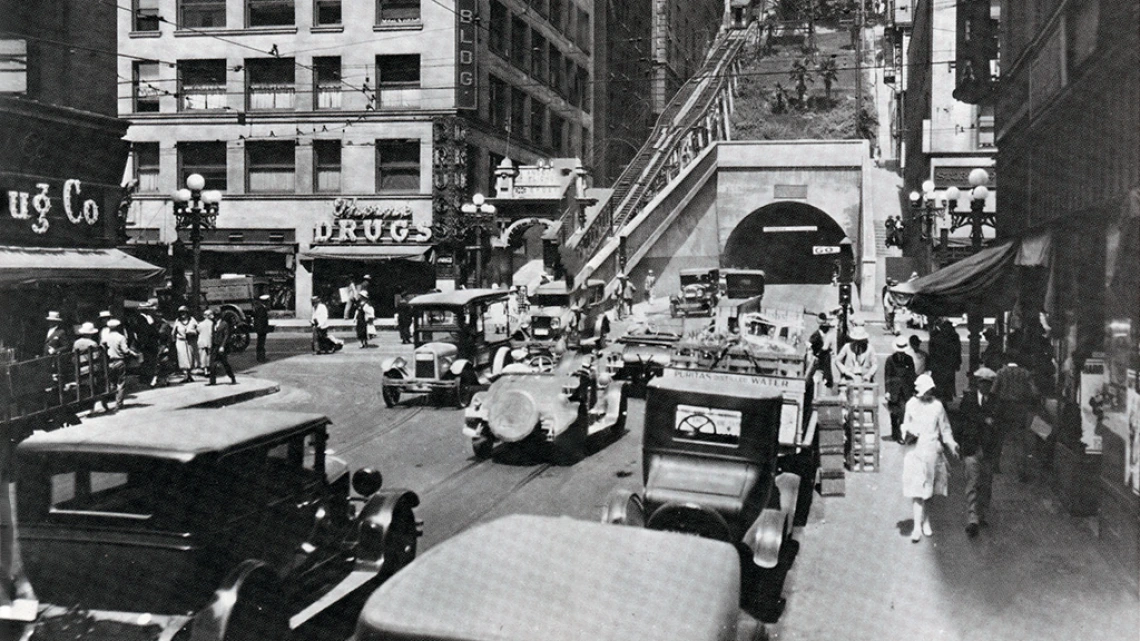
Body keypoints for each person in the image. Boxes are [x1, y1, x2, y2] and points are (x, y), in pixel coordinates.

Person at [901, 373, 959, 542]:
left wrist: (951, 443)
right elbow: (904, 425)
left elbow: (945, 428)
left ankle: (926, 521)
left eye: (929, 391)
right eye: (925, 391)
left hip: (931, 451)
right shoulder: (911, 405)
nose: (928, 394)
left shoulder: (937, 406)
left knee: (929, 490)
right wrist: (907, 433)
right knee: (916, 490)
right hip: (914, 451)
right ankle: (917, 527)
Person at [955, 367, 999, 537]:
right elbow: (960, 423)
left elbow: (1000, 427)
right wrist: (960, 445)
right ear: (978, 383)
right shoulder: (969, 399)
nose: (985, 387)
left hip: (988, 450)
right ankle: (972, 518)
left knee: (986, 484)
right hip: (971, 448)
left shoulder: (996, 401)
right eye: (983, 383)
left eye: (989, 384)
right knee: (972, 483)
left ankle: (983, 515)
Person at [990, 352, 1039, 480]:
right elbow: (1034, 392)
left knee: (999, 437)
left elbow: (993, 391)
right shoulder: (1025, 373)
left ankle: (995, 465)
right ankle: (1021, 471)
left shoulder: (1001, 372)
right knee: (1019, 440)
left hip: (1003, 407)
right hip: (1020, 408)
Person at [884, 335, 917, 443]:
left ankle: (901, 435)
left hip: (906, 390)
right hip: (894, 390)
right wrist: (887, 391)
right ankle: (895, 433)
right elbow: (887, 376)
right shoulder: (890, 360)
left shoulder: (909, 359)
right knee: (894, 413)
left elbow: (912, 374)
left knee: (903, 412)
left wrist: (914, 390)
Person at [102, 319, 140, 413]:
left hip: (109, 362)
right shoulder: (121, 337)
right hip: (119, 361)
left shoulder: (105, 338)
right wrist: (134, 354)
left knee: (111, 383)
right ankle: (119, 404)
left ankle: (104, 402)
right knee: (121, 383)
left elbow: (102, 347)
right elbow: (125, 350)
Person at [927, 319, 962, 402]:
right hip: (946, 364)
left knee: (942, 384)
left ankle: (944, 397)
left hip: (942, 364)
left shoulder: (937, 336)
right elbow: (957, 350)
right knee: (946, 383)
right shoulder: (953, 337)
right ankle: (946, 397)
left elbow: (931, 351)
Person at [207, 309, 237, 385]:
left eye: (217, 316)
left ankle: (232, 377)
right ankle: (212, 381)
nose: (215, 317)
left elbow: (226, 336)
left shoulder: (224, 324)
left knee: (225, 363)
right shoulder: (214, 324)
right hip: (215, 346)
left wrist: (222, 346)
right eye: (215, 316)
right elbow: (213, 335)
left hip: (221, 346)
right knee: (212, 364)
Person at [808, 313, 837, 389]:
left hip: (825, 359)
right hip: (818, 360)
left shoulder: (826, 336)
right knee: (816, 377)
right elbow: (809, 345)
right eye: (826, 328)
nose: (828, 330)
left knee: (826, 375)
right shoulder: (816, 335)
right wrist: (815, 355)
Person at [171, 306, 198, 383]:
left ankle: (189, 375)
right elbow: (173, 332)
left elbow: (198, 329)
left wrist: (193, 333)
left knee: (190, 357)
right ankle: (186, 375)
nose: (183, 314)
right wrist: (173, 341)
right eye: (181, 313)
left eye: (184, 312)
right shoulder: (177, 321)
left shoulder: (192, 320)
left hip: (190, 341)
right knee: (183, 358)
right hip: (180, 341)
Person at [253, 294, 271, 363]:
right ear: (265, 302)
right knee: (261, 344)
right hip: (262, 330)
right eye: (267, 301)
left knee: (260, 343)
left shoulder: (260, 308)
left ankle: (260, 357)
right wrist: (262, 330)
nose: (268, 302)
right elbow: (260, 320)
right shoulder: (262, 309)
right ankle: (261, 358)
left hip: (260, 329)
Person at [196, 309, 214, 375]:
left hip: (202, 341)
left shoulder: (200, 324)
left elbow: (198, 331)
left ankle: (205, 370)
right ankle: (209, 370)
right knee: (209, 355)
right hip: (209, 341)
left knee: (203, 356)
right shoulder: (212, 324)